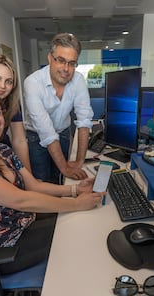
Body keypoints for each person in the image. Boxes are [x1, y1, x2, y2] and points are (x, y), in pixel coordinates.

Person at [0, 86, 103, 274]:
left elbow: (34, 186)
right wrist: (77, 204)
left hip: (19, 224)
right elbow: (20, 200)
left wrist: (75, 191)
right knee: (75, 231)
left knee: (78, 220)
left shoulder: (1, 150)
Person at [23, 33, 94, 184]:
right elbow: (46, 131)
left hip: (62, 133)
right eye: (61, 60)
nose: (66, 69)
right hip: (36, 136)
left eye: (72, 63)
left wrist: (80, 160)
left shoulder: (78, 80)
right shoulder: (33, 83)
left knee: (61, 179)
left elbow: (84, 120)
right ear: (50, 58)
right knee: (42, 179)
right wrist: (66, 167)